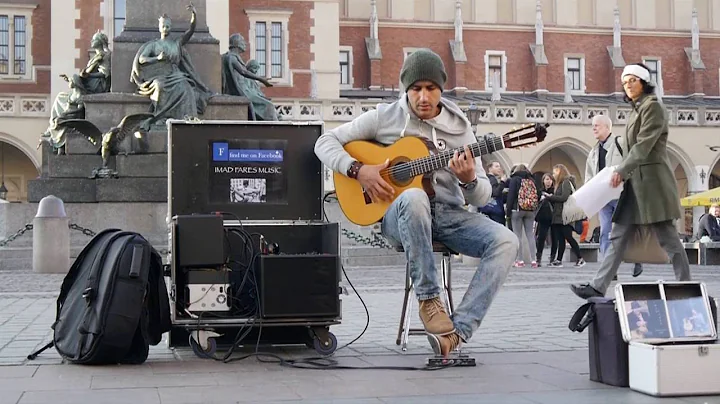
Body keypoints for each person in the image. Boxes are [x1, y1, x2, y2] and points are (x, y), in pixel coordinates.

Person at [314, 49, 518, 357]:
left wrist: (468, 181)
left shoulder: (460, 128)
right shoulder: (385, 117)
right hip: (400, 215)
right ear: (405, 89)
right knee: (413, 196)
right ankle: (429, 300)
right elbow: (324, 141)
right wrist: (359, 170)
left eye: (431, 88)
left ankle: (456, 333)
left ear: (441, 89)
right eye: (415, 89)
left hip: (449, 215)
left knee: (507, 241)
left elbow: (482, 195)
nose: (423, 97)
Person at [570, 63, 692, 299]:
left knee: (668, 238)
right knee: (617, 235)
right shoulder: (636, 110)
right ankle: (598, 286)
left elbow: (644, 144)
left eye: (633, 80)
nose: (628, 86)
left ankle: (686, 285)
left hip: (653, 185)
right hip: (636, 186)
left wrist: (623, 169)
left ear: (644, 82)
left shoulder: (653, 107)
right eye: (625, 82)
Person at [130, 4, 213, 132]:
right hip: (159, 75)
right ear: (159, 27)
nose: (165, 28)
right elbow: (142, 59)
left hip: (175, 74)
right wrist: (157, 59)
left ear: (171, 27)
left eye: (168, 26)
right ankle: (161, 117)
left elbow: (190, 32)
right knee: (159, 86)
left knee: (186, 88)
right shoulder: (154, 45)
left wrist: (194, 16)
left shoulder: (176, 43)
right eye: (163, 26)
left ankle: (187, 118)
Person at [585, 114, 643, 277]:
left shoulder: (621, 143)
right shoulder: (593, 152)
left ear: (607, 127)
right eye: (593, 126)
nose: (594, 128)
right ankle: (609, 269)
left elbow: (633, 163)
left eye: (597, 125)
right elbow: (589, 176)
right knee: (604, 232)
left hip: (621, 196)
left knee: (625, 230)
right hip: (604, 198)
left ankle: (637, 259)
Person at [541, 164, 586, 268]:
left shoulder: (566, 182)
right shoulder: (559, 183)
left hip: (564, 215)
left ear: (560, 172)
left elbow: (564, 197)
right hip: (558, 215)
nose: (553, 174)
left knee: (568, 236)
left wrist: (551, 197)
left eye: (555, 172)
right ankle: (559, 260)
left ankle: (580, 258)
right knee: (560, 238)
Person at [505, 164, 539, 267]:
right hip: (530, 210)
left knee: (517, 235)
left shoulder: (515, 179)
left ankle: (519, 260)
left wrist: (508, 211)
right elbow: (539, 193)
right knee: (530, 235)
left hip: (517, 209)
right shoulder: (532, 180)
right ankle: (534, 260)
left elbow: (511, 196)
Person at [534, 173, 556, 266]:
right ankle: (538, 258)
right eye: (546, 179)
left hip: (554, 217)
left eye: (550, 179)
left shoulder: (555, 191)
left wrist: (550, 197)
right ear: (543, 181)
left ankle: (552, 258)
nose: (548, 181)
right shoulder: (540, 191)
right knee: (541, 238)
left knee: (554, 238)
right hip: (543, 217)